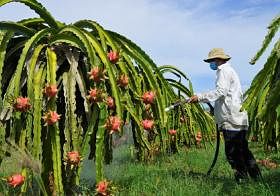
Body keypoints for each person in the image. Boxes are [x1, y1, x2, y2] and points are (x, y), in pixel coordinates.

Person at [188, 48, 261, 183]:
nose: (211, 64)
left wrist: (200, 97)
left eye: (212, 61)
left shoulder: (224, 71)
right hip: (238, 117)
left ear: (219, 59)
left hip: (231, 118)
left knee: (233, 152)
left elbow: (220, 92)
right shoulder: (229, 71)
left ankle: (242, 179)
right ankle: (256, 178)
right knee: (243, 150)